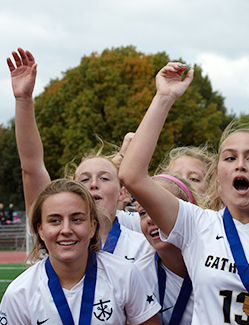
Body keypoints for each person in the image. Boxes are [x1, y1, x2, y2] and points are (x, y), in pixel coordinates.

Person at [119, 62, 249, 325]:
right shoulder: (198, 224)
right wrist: (164, 97)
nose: (240, 166)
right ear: (217, 176)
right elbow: (131, 174)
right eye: (230, 157)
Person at [0, 179, 169, 325]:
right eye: (54, 220)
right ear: (40, 230)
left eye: (77, 219)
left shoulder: (123, 274)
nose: (66, 229)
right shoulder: (19, 294)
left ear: (92, 227)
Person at [7, 48, 153, 268]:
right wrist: (24, 100)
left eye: (104, 179)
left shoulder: (140, 231)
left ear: (123, 192)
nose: (93, 185)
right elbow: (32, 167)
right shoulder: (59, 233)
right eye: (84, 180)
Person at [137, 173, 197, 325]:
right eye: (143, 212)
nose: (150, 218)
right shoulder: (137, 276)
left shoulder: (217, 264)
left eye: (159, 205)